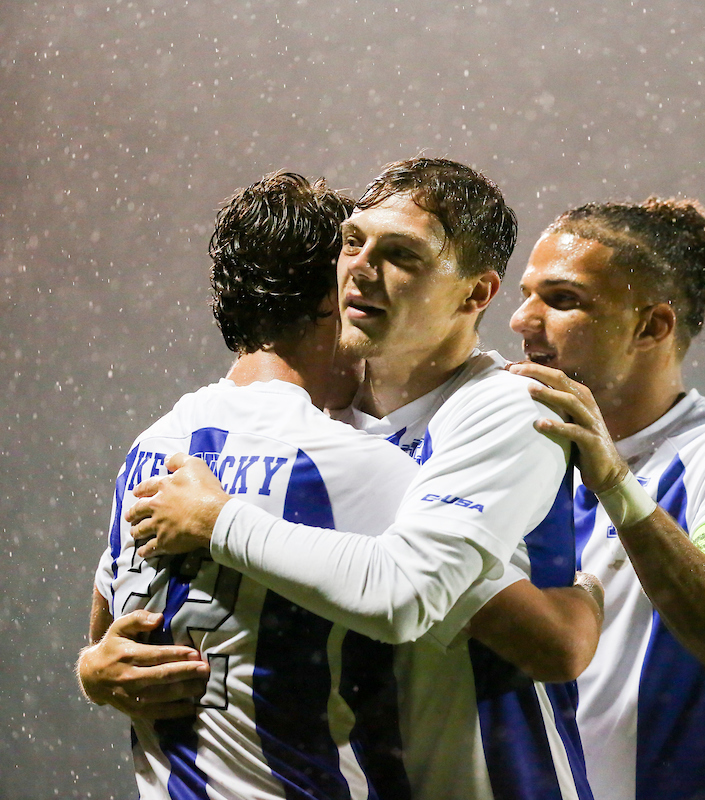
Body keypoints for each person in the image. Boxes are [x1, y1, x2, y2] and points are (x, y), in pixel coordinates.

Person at [115, 158, 597, 799]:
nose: (362, 268)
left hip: (502, 780)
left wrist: (218, 520)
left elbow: (442, 606)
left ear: (476, 294)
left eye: (401, 254)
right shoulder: (322, 417)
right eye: (353, 241)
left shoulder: (508, 407)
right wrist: (102, 668)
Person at [506, 197, 705, 800]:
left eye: (562, 299)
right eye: (526, 293)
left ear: (653, 327)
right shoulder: (526, 457)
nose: (522, 320)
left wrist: (616, 485)